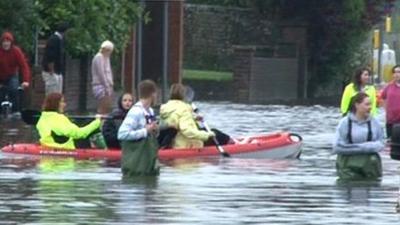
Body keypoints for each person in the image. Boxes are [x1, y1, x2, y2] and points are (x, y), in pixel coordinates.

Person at [333, 92, 384, 181]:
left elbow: (380, 144)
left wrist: (358, 147)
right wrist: (366, 147)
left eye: (371, 104)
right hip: (347, 165)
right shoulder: (344, 123)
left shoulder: (375, 123)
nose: (370, 107)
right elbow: (337, 147)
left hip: (370, 165)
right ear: (357, 105)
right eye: (367, 104)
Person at [118, 80, 160, 176]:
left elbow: (151, 133)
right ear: (152, 94)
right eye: (156, 94)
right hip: (136, 166)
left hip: (149, 165)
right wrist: (145, 131)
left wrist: (155, 130)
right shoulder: (136, 111)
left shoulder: (151, 111)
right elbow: (122, 134)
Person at [36, 93, 101, 150]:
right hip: (66, 156)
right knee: (91, 128)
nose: (65, 104)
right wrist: (97, 122)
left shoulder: (42, 118)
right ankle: (105, 148)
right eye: (62, 102)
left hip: (47, 153)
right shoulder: (60, 119)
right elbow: (80, 134)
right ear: (55, 104)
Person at [160, 83, 216, 149]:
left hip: (172, 143)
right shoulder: (184, 108)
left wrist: (193, 117)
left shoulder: (165, 107)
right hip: (185, 146)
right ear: (183, 95)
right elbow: (187, 131)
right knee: (215, 132)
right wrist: (207, 135)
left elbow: (176, 118)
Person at [0, 31, 31, 113]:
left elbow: (24, 66)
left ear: (11, 42)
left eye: (7, 41)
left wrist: (26, 81)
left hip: (11, 75)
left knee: (14, 89)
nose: (6, 44)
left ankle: (16, 111)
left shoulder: (16, 51)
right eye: (4, 42)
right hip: (1, 76)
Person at [42, 23, 68, 94]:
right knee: (52, 96)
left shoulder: (59, 40)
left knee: (57, 96)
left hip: (57, 72)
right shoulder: (54, 40)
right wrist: (52, 71)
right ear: (65, 31)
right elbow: (50, 56)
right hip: (52, 72)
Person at [91, 40, 114, 114]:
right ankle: (100, 123)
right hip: (101, 86)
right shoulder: (99, 57)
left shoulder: (106, 58)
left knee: (107, 107)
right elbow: (101, 73)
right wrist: (106, 86)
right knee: (103, 107)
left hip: (107, 86)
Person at [381, 65, 400, 139]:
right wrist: (387, 109)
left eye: (399, 72)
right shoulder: (389, 86)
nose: (396, 74)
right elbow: (382, 98)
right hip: (391, 122)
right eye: (394, 72)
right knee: (391, 144)